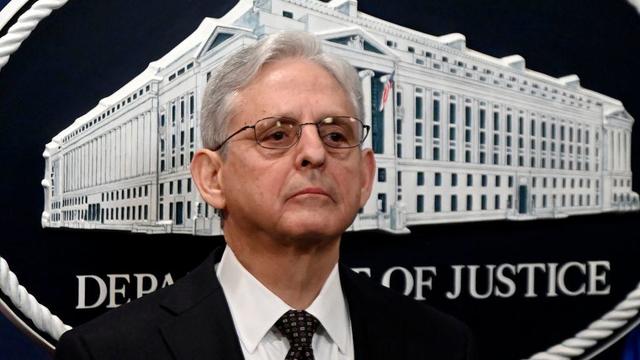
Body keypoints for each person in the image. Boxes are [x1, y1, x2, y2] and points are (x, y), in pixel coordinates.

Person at [55, 31, 475, 360]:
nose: (314, 153)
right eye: (277, 134)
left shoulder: (441, 345)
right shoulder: (110, 353)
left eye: (334, 134)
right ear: (212, 178)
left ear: (365, 177)